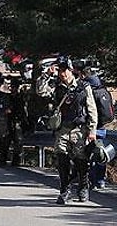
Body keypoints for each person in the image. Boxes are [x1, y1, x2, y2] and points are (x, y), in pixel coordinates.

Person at [37, 55, 97, 204]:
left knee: (81, 161)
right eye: (59, 70)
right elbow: (40, 91)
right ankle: (64, 190)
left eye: (64, 70)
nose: (62, 73)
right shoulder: (57, 87)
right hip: (62, 129)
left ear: (71, 70)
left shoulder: (83, 87)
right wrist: (47, 74)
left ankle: (83, 187)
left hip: (79, 130)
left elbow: (92, 109)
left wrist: (92, 130)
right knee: (62, 161)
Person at [74, 61, 107, 189]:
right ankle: (100, 180)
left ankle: (89, 180)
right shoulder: (100, 86)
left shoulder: (86, 86)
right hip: (102, 126)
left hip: (89, 126)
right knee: (100, 153)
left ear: (82, 74)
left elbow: (88, 108)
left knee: (86, 154)